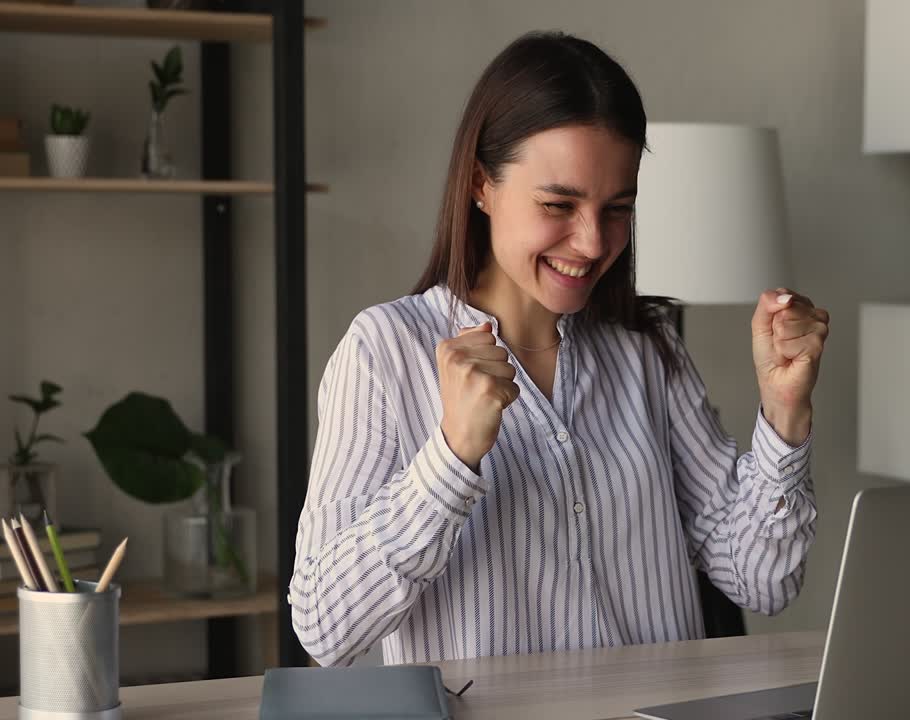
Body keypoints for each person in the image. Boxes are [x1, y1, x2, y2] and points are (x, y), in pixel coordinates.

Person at [288, 30, 829, 667]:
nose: (594, 242)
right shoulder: (383, 353)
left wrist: (784, 414)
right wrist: (452, 457)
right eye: (558, 203)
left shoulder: (647, 350)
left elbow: (763, 581)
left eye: (617, 208)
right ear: (481, 185)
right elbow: (324, 630)